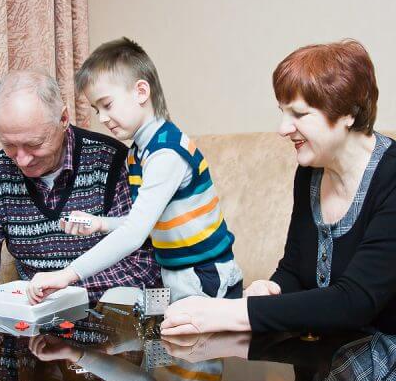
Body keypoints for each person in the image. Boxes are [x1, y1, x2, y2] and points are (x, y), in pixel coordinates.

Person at [159, 39, 396, 335]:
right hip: (321, 360)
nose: (283, 128)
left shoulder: (391, 178)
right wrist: (273, 287)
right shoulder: (310, 172)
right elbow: (295, 269)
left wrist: (231, 312)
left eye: (299, 114)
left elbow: (354, 302)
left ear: (348, 113)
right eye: (283, 112)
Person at [26, 37, 243, 304]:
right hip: (177, 273)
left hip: (204, 274)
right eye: (97, 109)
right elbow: (143, 220)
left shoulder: (167, 153)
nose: (102, 118)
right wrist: (101, 224)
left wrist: (67, 274)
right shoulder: (138, 152)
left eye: (107, 105)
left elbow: (134, 234)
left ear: (141, 92)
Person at [0, 70, 160, 302]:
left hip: (105, 316)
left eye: (34, 144)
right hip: (34, 320)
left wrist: (66, 286)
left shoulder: (110, 161)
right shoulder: (0, 171)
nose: (21, 159)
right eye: (9, 145)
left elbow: (144, 267)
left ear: (63, 119)